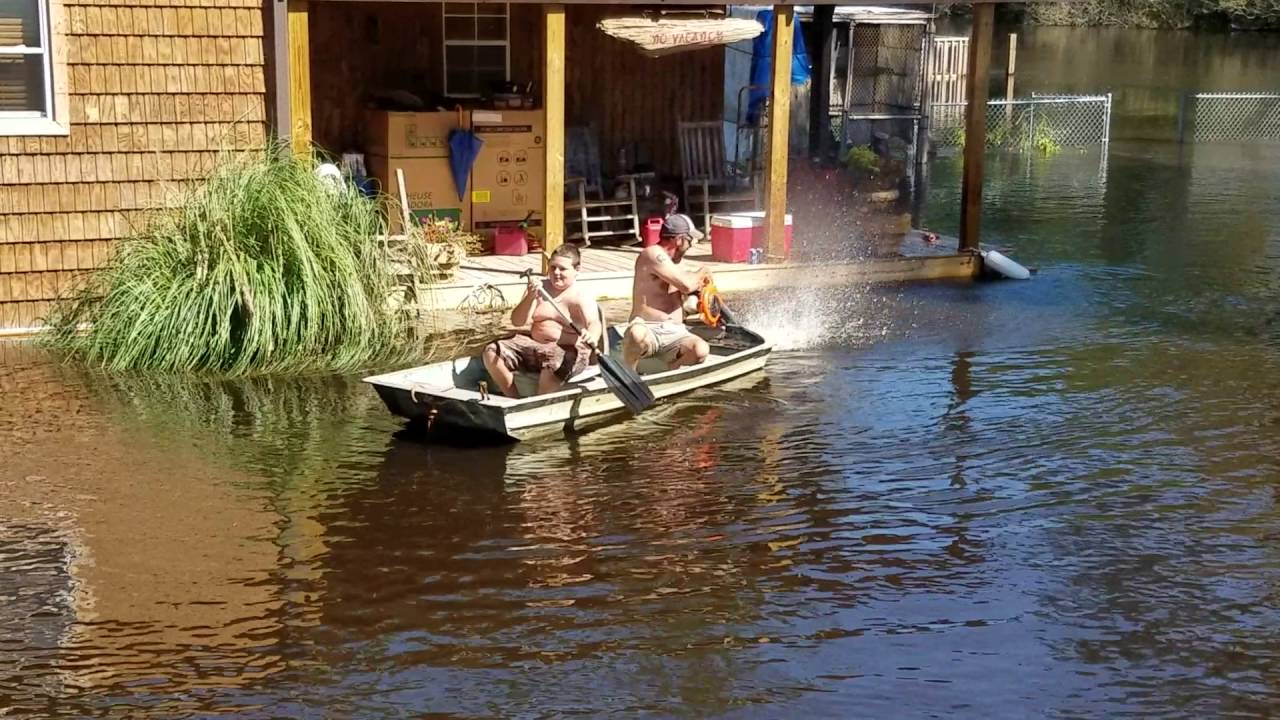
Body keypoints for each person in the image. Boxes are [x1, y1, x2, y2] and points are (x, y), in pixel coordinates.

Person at [482, 245, 601, 398]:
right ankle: (513, 399)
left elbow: (594, 322)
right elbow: (517, 321)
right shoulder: (539, 288)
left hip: (566, 350)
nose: (556, 273)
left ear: (576, 270)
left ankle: (540, 402)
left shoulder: (580, 295)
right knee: (491, 351)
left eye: (562, 269)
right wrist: (530, 296)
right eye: (553, 268)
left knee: (554, 364)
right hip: (534, 345)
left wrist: (592, 335)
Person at [618, 213, 712, 372]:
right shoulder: (652, 253)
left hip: (675, 332)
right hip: (648, 327)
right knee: (636, 334)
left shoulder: (677, 264)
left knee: (701, 349)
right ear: (679, 240)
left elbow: (690, 292)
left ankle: (668, 374)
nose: (691, 245)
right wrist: (704, 271)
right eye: (690, 240)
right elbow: (687, 285)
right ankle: (628, 375)